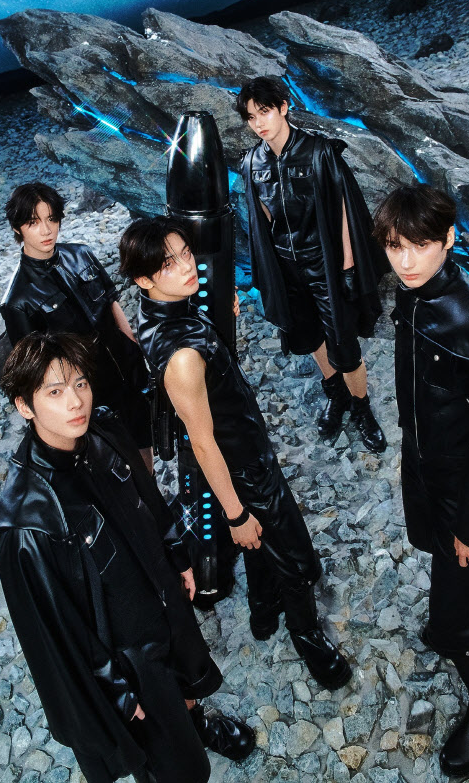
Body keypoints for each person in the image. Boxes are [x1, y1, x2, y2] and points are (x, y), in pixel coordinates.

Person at [0, 331, 255, 783]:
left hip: (163, 598)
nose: (75, 402)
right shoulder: (28, 525)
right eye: (54, 392)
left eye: (80, 383)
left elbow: (148, 497)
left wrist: (177, 555)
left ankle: (195, 723)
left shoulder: (103, 430)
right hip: (129, 658)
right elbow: (55, 636)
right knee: (175, 767)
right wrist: (114, 691)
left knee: (189, 680)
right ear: (24, 406)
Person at [119, 216, 352, 690]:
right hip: (242, 465)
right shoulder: (182, 357)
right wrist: (235, 514)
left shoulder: (163, 312)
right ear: (143, 279)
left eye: (186, 253)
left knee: (263, 544)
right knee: (297, 560)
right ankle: (307, 637)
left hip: (242, 448)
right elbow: (203, 443)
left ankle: (263, 612)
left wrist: (215, 326)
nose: (187, 266)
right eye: (169, 264)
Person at [373, 184, 469, 777]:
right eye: (395, 246)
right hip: (425, 469)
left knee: (450, 621)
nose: (406, 261)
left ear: (449, 238)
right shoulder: (412, 296)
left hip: (464, 493)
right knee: (460, 579)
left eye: (420, 245)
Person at [237, 76, 388, 452]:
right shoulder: (253, 162)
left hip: (325, 264)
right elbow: (263, 218)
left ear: (283, 107)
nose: (259, 123)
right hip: (287, 267)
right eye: (251, 116)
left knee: (343, 342)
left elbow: (344, 213)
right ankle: (336, 394)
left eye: (265, 111)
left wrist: (348, 267)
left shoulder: (319, 152)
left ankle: (362, 407)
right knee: (308, 335)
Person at [0, 181, 153, 470]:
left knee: (145, 445)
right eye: (33, 222)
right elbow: (36, 374)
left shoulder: (81, 254)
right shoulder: (17, 301)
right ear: (18, 228)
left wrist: (132, 346)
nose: (46, 230)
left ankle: (151, 492)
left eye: (51, 219)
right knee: (111, 464)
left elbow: (111, 302)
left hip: (126, 370)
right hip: (88, 392)